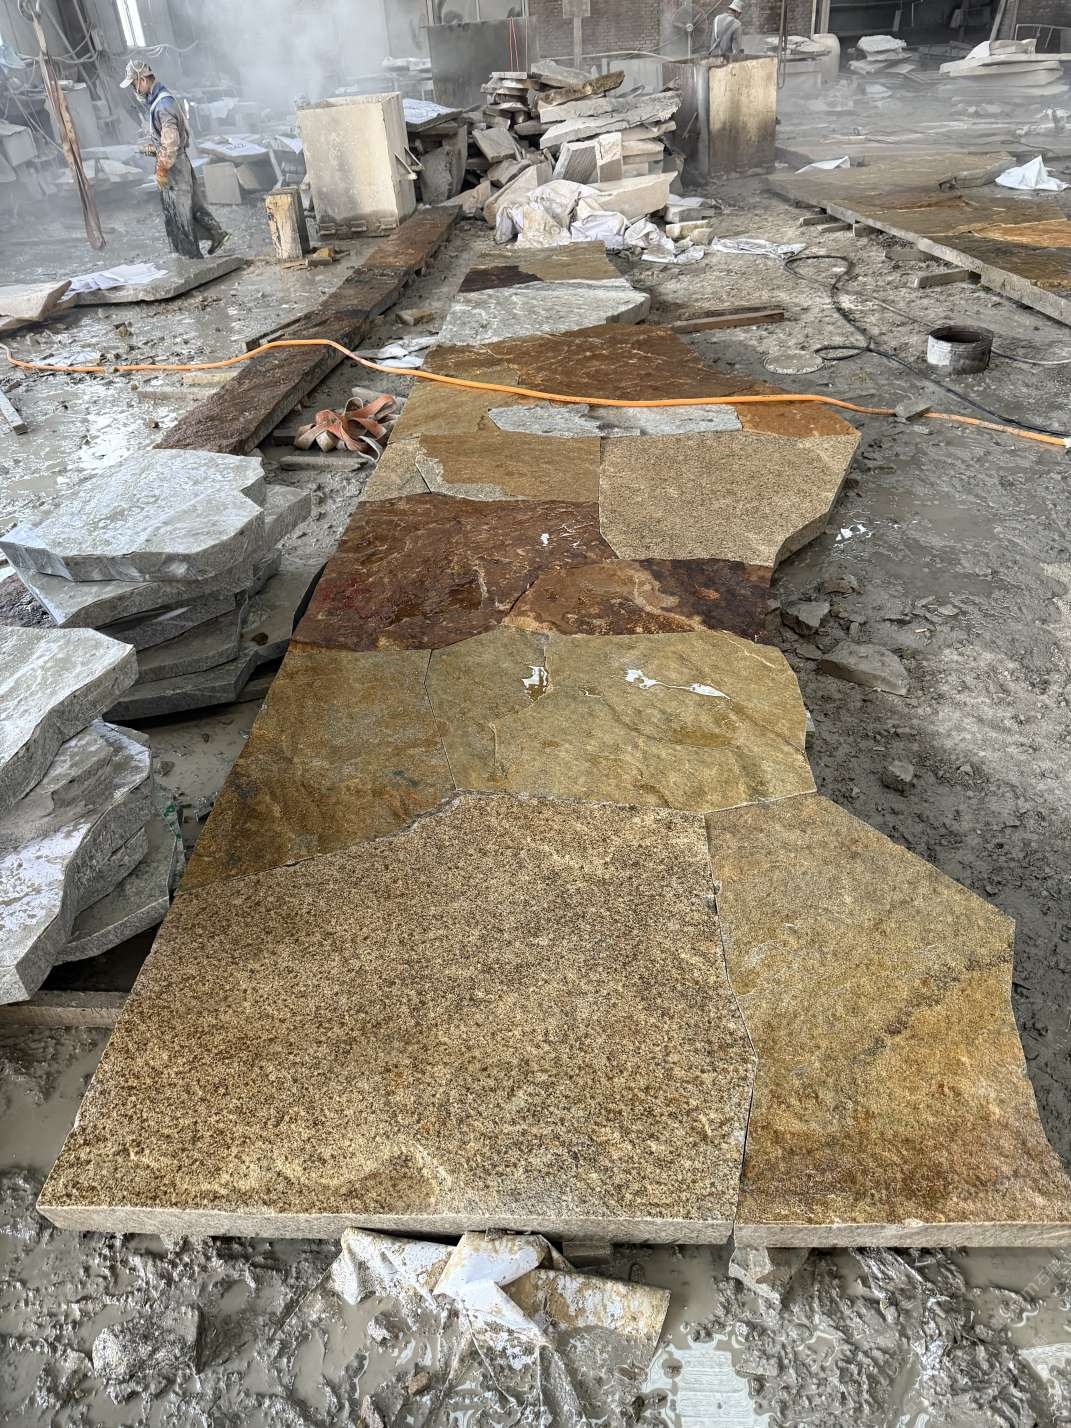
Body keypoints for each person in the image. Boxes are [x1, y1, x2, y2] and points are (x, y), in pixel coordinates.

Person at [121, 59, 229, 259]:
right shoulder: (158, 100)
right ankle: (216, 233)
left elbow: (171, 142)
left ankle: (191, 259)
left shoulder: (163, 104)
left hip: (174, 166)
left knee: (180, 214)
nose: (134, 89)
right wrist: (148, 149)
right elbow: (166, 139)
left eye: (134, 84)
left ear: (143, 79)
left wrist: (161, 169)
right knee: (192, 205)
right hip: (178, 162)